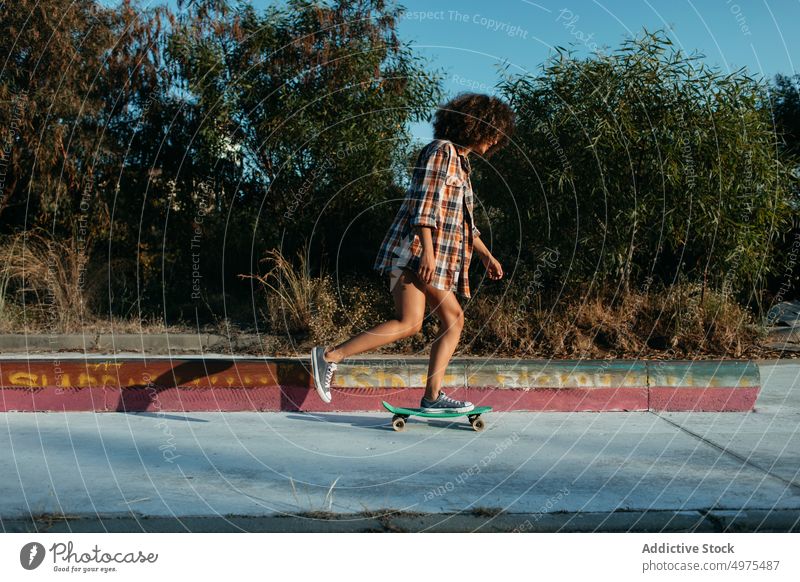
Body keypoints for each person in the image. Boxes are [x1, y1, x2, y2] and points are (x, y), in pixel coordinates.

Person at [311, 92, 515, 412]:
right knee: (425, 322)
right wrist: (428, 254)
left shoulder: (461, 163)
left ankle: (432, 396)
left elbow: (462, 222)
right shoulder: (441, 152)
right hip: (413, 251)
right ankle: (328, 357)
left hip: (428, 255)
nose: (495, 139)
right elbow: (424, 206)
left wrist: (485, 255)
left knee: (441, 321)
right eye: (492, 130)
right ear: (476, 125)